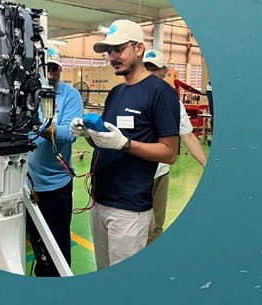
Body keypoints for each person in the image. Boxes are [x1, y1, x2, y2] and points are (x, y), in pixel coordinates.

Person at [71, 20, 180, 270]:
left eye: (118, 49)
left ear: (139, 48)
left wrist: (125, 144)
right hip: (99, 202)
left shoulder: (160, 93)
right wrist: (87, 134)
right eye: (109, 52)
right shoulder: (116, 93)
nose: (112, 57)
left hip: (129, 209)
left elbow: (170, 153)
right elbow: (104, 142)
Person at [26, 46, 83, 276]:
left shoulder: (70, 96)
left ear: (60, 70)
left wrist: (35, 125)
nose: (50, 75)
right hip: (29, 185)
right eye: (45, 69)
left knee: (58, 244)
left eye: (54, 69)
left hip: (57, 184)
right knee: (37, 243)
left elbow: (69, 134)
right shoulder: (28, 94)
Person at [142, 48, 207, 243]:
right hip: (136, 175)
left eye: (154, 69)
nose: (150, 73)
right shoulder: (131, 95)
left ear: (164, 72)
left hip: (160, 173)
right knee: (139, 226)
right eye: (146, 68)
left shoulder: (172, 102)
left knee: (156, 228)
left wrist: (206, 163)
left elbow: (187, 136)